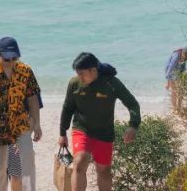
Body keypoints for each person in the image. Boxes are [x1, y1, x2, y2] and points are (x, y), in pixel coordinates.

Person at [58, 53, 140, 191]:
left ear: (93, 70)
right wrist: (62, 133)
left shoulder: (112, 83)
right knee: (79, 162)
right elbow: (67, 108)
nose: (80, 77)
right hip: (81, 128)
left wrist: (133, 125)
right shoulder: (74, 83)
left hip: (104, 133)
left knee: (104, 171)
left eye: (83, 74)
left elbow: (132, 104)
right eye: (78, 74)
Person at [0, 36, 41, 191]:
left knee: (28, 162)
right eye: (7, 59)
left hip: (21, 125)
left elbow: (32, 99)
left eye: (14, 58)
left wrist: (37, 124)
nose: (11, 61)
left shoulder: (26, 71)